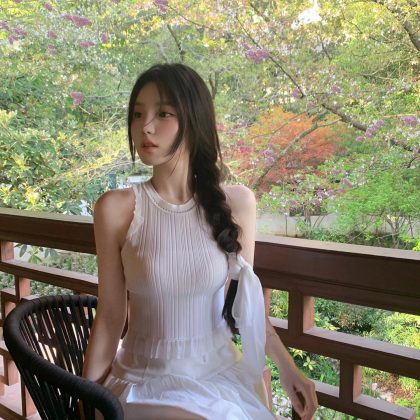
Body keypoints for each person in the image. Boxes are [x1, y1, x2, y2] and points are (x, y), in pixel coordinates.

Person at [82, 63, 317, 419]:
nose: (145, 127)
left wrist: (287, 369)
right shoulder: (117, 209)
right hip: (147, 380)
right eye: (138, 114)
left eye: (163, 113)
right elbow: (111, 316)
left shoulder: (236, 203)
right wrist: (86, 399)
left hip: (219, 372)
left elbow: (247, 308)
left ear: (194, 120)